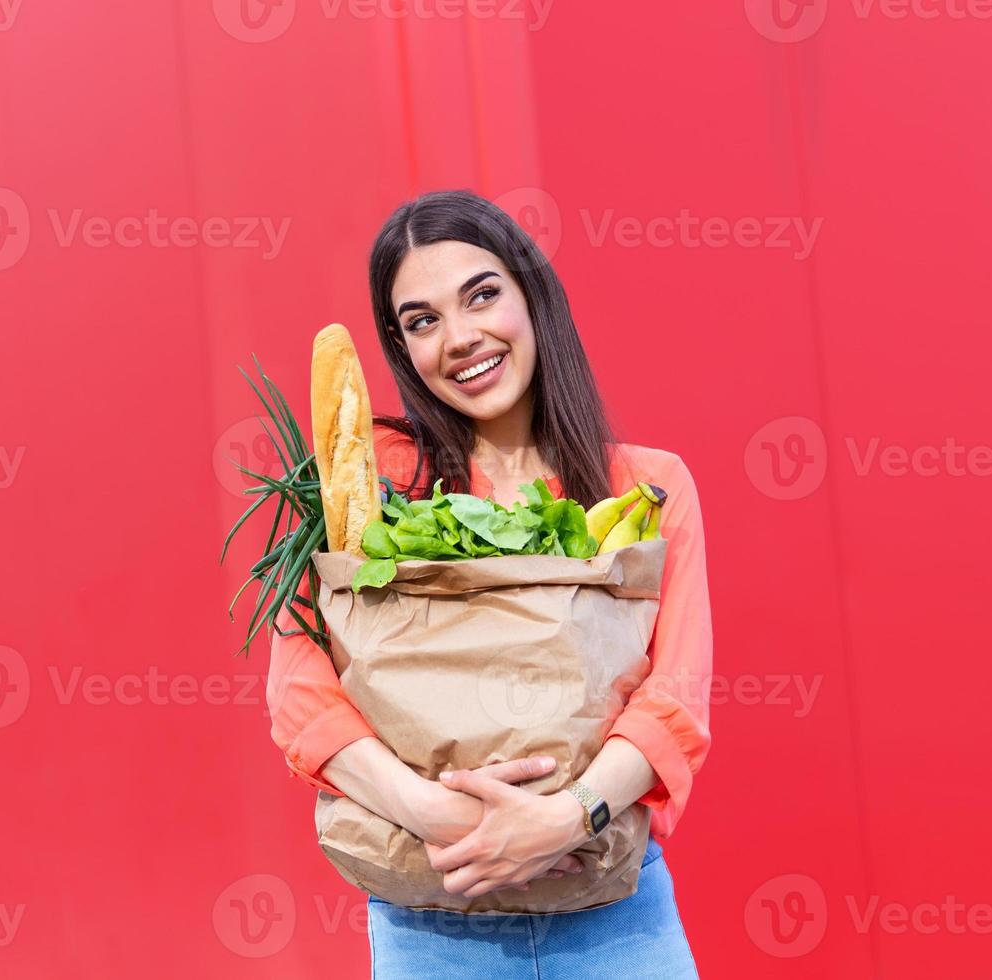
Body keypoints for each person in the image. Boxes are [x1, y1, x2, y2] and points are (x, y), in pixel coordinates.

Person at [264, 190, 713, 978]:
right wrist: (437, 814)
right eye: (423, 320)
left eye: (482, 295)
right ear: (402, 349)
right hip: (432, 914)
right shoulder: (368, 485)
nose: (462, 337)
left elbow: (673, 701)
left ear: (531, 295)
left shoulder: (644, 487)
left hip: (611, 913)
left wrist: (566, 818)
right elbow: (302, 696)